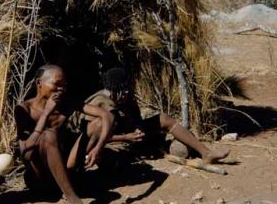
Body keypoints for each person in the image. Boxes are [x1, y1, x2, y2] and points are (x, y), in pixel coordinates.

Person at [14, 64, 114, 204]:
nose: (61, 89)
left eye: (64, 85)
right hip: (40, 181)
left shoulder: (66, 104)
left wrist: (99, 147)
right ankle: (75, 203)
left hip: (67, 172)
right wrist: (45, 115)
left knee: (97, 124)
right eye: (56, 84)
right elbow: (25, 155)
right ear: (40, 84)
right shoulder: (24, 109)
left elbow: (106, 116)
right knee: (48, 135)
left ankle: (70, 182)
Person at [88, 67, 230, 165]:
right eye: (122, 91)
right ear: (113, 90)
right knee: (112, 161)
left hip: (129, 134)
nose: (126, 94)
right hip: (109, 142)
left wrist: (137, 128)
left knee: (164, 119)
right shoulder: (100, 102)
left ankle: (205, 152)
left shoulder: (127, 96)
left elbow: (136, 117)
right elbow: (92, 138)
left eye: (127, 90)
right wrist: (126, 137)